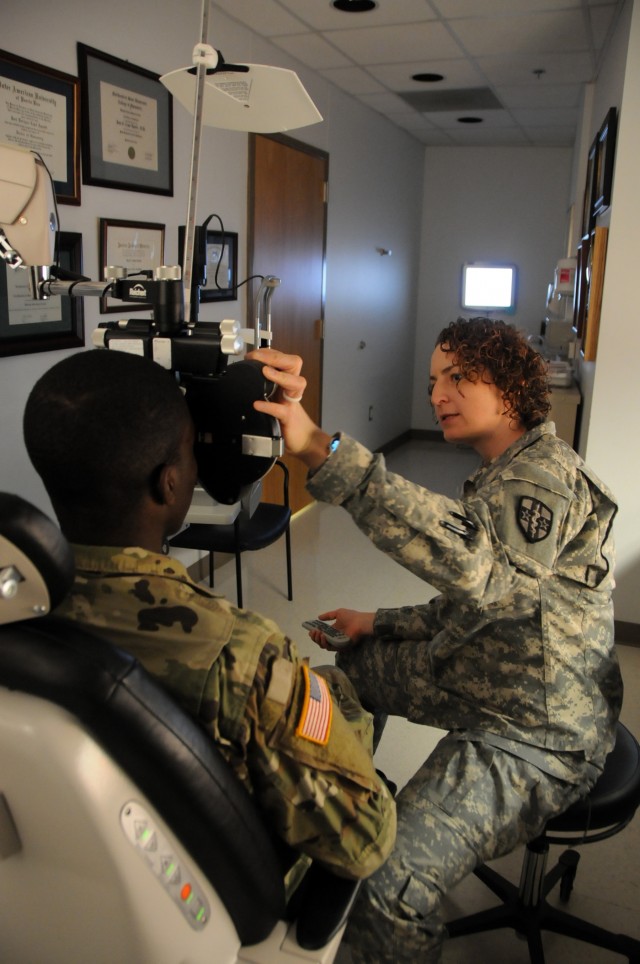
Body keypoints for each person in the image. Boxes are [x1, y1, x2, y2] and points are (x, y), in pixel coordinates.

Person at [247, 317, 622, 963]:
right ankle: (338, 808)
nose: (437, 394)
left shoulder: (544, 480)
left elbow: (485, 576)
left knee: (387, 881)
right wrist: (380, 622)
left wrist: (318, 447)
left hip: (536, 729)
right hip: (490, 675)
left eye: (458, 378)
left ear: (509, 389)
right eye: (432, 382)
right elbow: (487, 605)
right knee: (346, 677)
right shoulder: (506, 470)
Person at [22, 348, 396, 887]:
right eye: (190, 452)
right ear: (169, 483)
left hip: (78, 881)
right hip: (219, 893)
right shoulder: (240, 655)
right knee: (348, 693)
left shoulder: (20, 609)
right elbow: (366, 842)